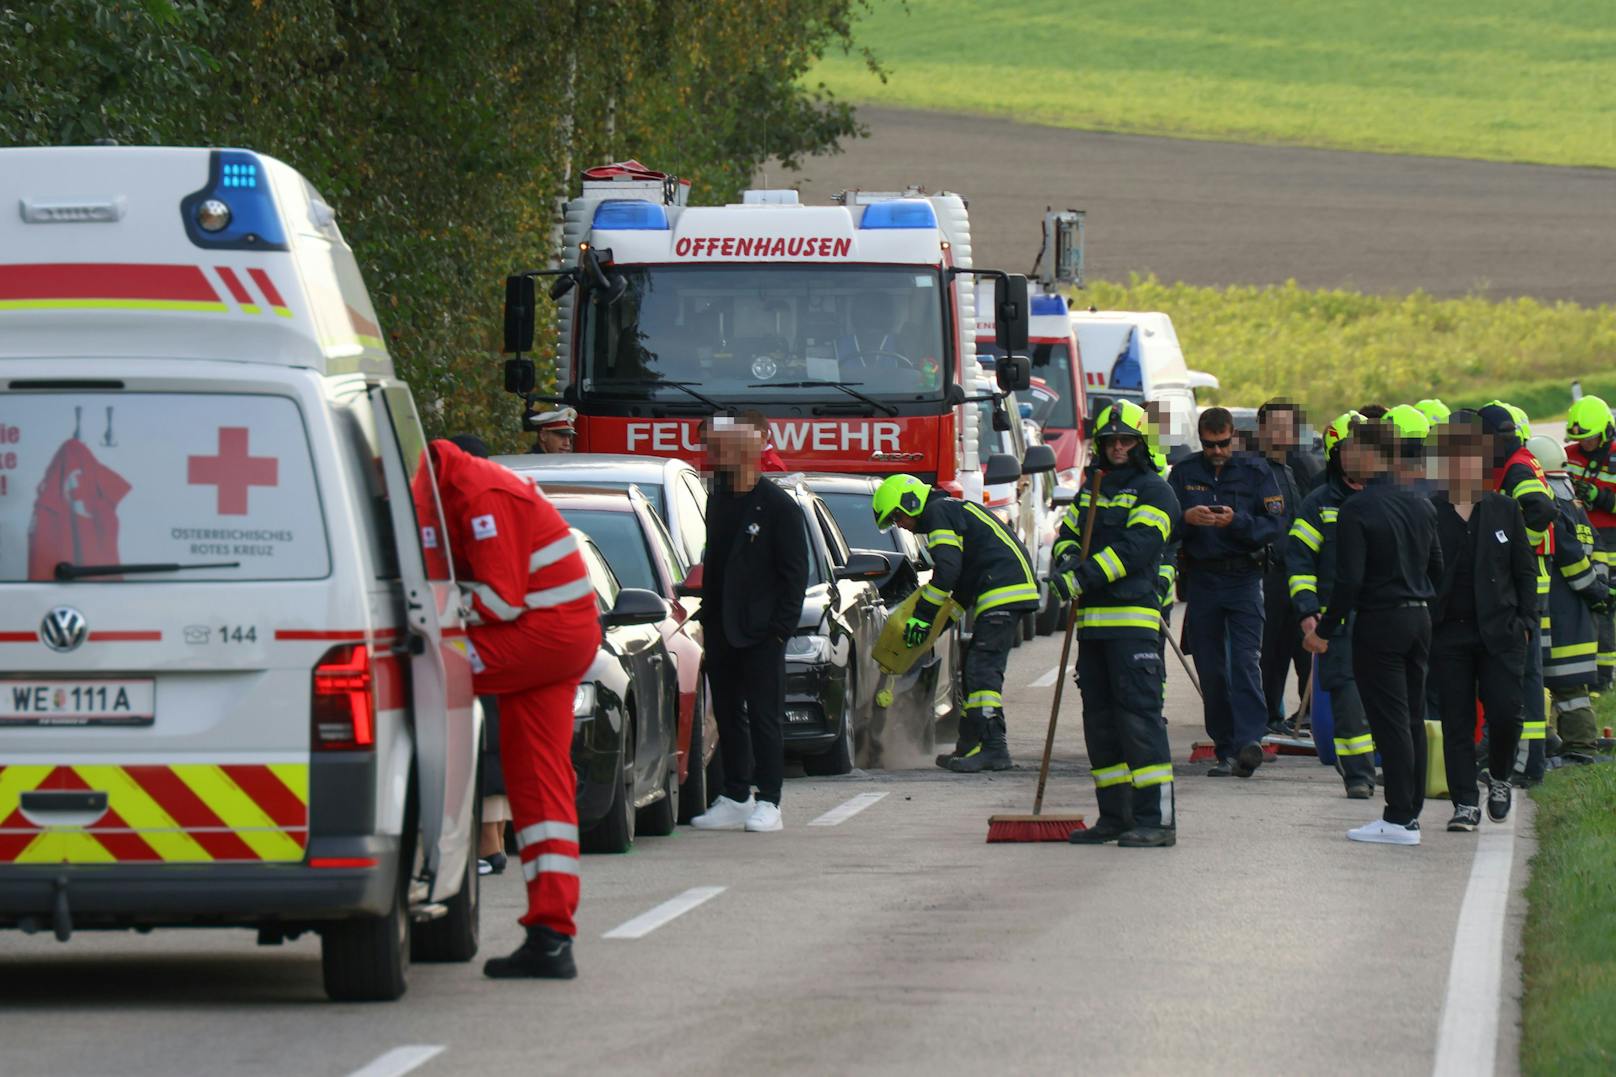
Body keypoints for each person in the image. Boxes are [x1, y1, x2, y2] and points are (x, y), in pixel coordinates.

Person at [423, 438, 601, 980]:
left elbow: (499, 600)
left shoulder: (475, 492)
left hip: (542, 632)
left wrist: (421, 612)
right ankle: (551, 935)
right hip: (556, 634)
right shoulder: (445, 487)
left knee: (419, 674)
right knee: (538, 783)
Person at [1050, 402, 1182, 847]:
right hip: (1094, 627)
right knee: (1100, 725)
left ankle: (1156, 821)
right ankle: (1115, 816)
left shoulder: (1156, 492)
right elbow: (1066, 536)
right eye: (1111, 441)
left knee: (1140, 724)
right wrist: (1065, 560)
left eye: (1126, 440)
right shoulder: (1092, 489)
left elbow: (1136, 549)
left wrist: (1081, 576)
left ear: (1141, 444)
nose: (1118, 447)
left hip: (1132, 626)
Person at [1310, 418, 1442, 846]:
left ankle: (1399, 818)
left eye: (1352, 448)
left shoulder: (1358, 508)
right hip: (1418, 617)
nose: (1345, 456)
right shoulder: (1421, 504)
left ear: (1373, 455)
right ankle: (1411, 812)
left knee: (1389, 722)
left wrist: (1325, 631)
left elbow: (1349, 581)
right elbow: (1437, 569)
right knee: (1411, 718)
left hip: (1379, 621)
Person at [874, 470, 1040, 773]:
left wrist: (922, 617)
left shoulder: (938, 513)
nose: (901, 526)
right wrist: (938, 625)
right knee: (973, 667)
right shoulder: (949, 509)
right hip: (1000, 586)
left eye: (898, 517)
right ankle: (970, 745)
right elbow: (963, 581)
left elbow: (947, 572)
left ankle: (994, 748)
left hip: (1003, 590)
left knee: (982, 670)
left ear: (910, 503)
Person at [690, 416, 809, 832]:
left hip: (762, 633)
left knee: (764, 717)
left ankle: (769, 800)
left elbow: (794, 576)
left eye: (723, 445)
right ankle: (736, 793)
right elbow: (717, 564)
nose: (715, 455)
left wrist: (779, 630)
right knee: (726, 713)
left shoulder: (779, 507)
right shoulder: (718, 498)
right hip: (722, 629)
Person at [1427, 417, 1535, 832]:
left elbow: (1525, 572)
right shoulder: (1431, 513)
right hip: (1449, 633)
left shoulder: (1505, 510)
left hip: (1501, 633)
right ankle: (1465, 804)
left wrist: (1526, 619)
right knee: (1456, 722)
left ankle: (1501, 778)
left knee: (1507, 714)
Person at [1169, 406, 1287, 777]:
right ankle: (1225, 748)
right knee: (1212, 668)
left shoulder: (1256, 471)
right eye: (1209, 445)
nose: (1216, 452)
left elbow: (1276, 523)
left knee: (1246, 662)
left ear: (1233, 437)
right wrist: (1185, 519)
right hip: (1203, 581)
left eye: (1221, 444)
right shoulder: (1185, 472)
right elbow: (1165, 520)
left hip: (1244, 579)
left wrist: (1237, 522)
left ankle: (1250, 741)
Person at [1288, 411, 1377, 798]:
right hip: (1334, 618)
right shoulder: (1318, 504)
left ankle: (1397, 765)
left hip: (1385, 614)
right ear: (1335, 454)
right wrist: (1308, 612)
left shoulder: (1389, 497)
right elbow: (1299, 560)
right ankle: (1358, 774)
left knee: (1392, 694)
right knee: (1345, 695)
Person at [1478, 402, 1556, 785]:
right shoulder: (1518, 460)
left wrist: (1514, 549)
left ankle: (1526, 764)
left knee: (1524, 675)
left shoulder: (1516, 467)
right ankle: (1525, 760)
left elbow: (1541, 509)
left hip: (1526, 583)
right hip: (1531, 581)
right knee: (1525, 673)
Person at [447, 433, 511, 876]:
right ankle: (494, 839)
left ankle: (489, 844)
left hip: (482, 641)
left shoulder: (478, 511)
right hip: (501, 643)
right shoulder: (500, 506)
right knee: (492, 740)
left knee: (484, 741)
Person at [1531, 435, 1611, 764]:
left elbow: (1571, 560)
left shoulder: (1551, 511)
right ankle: (1562, 743)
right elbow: (1598, 552)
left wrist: (1593, 589)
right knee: (1568, 688)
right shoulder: (1577, 512)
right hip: (1579, 614)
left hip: (1560, 614)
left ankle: (1579, 748)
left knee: (1563, 687)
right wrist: (1599, 592)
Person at [1257, 400, 1311, 734]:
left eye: (1288, 427)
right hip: (1267, 575)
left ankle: (1298, 715)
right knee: (1268, 653)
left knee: (1298, 648)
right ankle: (1266, 716)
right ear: (1261, 430)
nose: (1281, 433)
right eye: (1275, 426)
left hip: (1295, 575)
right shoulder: (1253, 471)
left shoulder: (1292, 470)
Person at [1563, 395, 1616, 691]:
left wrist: (1599, 497)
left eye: (1591, 438)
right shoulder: (1568, 454)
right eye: (1580, 438)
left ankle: (1603, 681)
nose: (1585, 444)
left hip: (1611, 541)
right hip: (1580, 538)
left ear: (1607, 432)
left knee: (1605, 605)